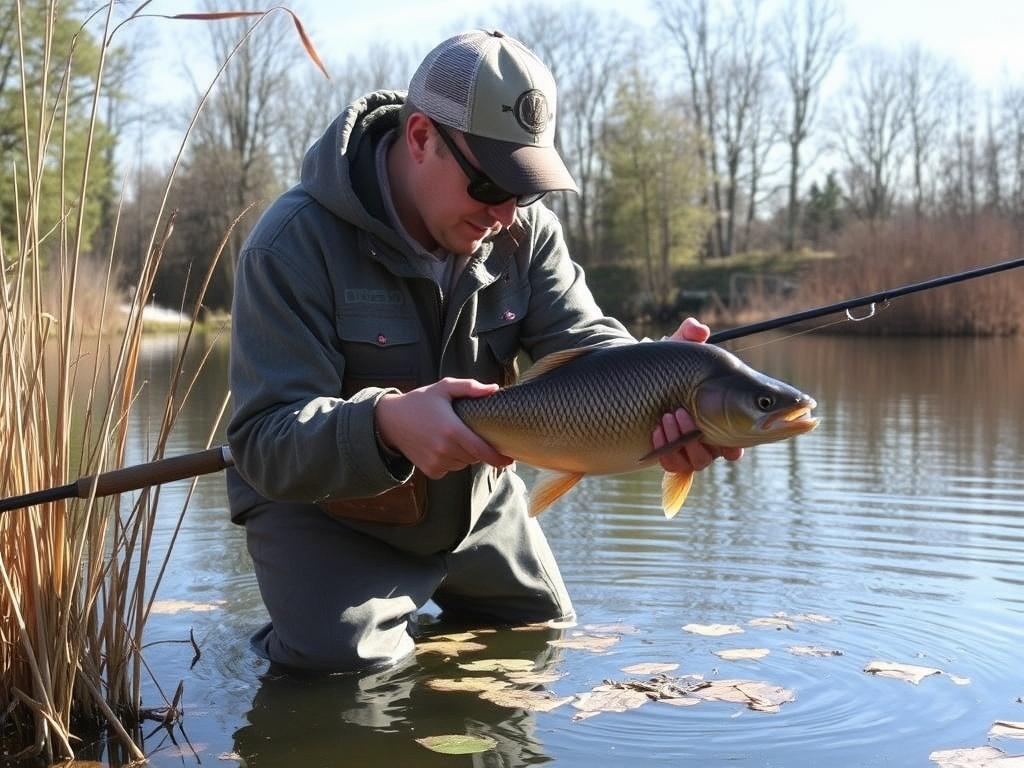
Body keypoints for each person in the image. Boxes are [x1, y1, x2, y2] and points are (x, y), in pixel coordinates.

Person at [225, 29, 742, 673]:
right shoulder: (290, 245)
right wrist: (384, 424)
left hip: (473, 502)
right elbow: (264, 442)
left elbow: (587, 348)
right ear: (420, 138)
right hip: (329, 515)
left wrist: (660, 377)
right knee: (346, 673)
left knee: (540, 635)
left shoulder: (528, 236)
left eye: (526, 190)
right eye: (493, 184)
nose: (506, 214)